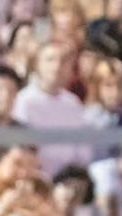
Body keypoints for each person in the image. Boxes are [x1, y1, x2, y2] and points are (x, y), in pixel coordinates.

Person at [13, 44, 92, 176]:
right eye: (50, 60)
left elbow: (83, 148)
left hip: (69, 180)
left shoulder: (73, 103)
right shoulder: (24, 101)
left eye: (62, 61)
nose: (56, 66)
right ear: (38, 64)